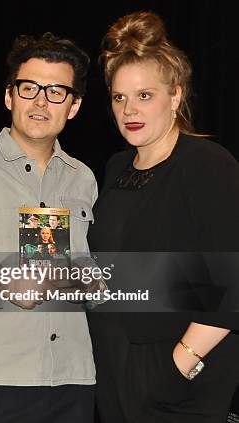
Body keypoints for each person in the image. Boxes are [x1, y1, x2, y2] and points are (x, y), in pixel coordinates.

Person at [0, 33, 99, 423]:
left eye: (57, 91)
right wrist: (4, 283)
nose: (41, 101)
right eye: (29, 88)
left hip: (72, 378)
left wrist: (95, 279)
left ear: (73, 107)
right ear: (9, 96)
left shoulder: (83, 179)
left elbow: (84, 272)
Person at [87, 11, 239, 422]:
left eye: (145, 95)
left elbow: (229, 283)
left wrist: (179, 363)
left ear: (175, 95)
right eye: (119, 97)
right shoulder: (116, 168)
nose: (129, 110)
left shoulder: (207, 164)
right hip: (112, 371)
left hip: (178, 378)